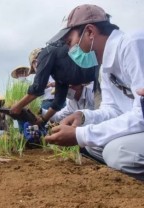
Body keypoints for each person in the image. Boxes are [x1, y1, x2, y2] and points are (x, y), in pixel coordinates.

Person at [45, 4, 144, 180]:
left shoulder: (133, 45)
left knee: (118, 153)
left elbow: (141, 114)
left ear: (90, 32)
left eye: (70, 43)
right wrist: (83, 117)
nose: (70, 51)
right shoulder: (105, 68)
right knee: (94, 146)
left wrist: (80, 134)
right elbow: (113, 110)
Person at [10, 42, 96, 126]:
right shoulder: (61, 76)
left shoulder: (44, 55)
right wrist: (43, 119)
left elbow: (38, 87)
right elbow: (58, 102)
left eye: (36, 70)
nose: (37, 72)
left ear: (36, 63)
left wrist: (18, 106)